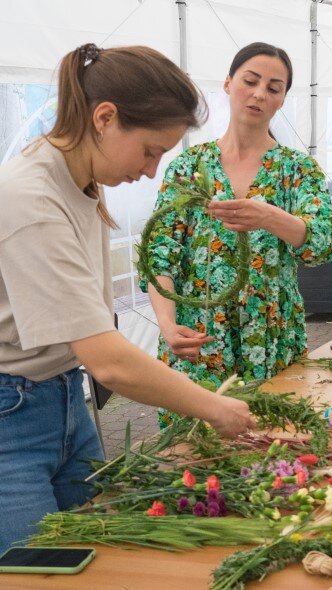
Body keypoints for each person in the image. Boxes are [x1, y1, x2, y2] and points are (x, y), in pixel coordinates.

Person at [0, 44, 256, 552]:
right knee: (39, 571)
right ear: (105, 118)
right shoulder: (30, 197)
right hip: (13, 418)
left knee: (98, 556)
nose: (152, 170)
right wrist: (215, 409)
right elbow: (109, 363)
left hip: (63, 396)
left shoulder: (81, 179)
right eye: (150, 150)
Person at [142, 43, 332, 426]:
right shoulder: (189, 166)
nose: (259, 94)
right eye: (250, 81)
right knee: (197, 457)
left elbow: (325, 241)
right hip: (198, 339)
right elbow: (158, 253)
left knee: (273, 446)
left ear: (282, 100)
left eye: (274, 87)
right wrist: (167, 325)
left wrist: (271, 217)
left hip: (269, 337)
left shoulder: (295, 169)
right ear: (228, 83)